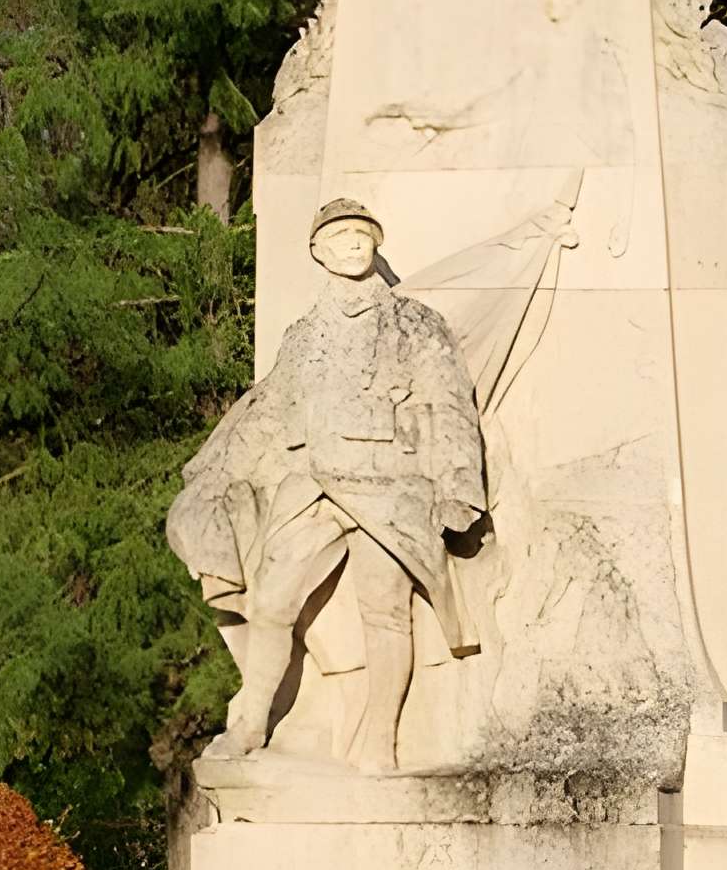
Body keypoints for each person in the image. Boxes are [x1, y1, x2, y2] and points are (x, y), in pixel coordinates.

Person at [167, 198, 487, 771]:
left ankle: (381, 742)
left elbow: (449, 402)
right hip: (312, 485)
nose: (352, 244)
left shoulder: (414, 323)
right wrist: (220, 471)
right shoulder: (303, 334)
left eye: (362, 234)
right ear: (317, 251)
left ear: (377, 243)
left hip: (389, 484)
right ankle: (251, 722)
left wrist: (458, 484)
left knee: (385, 612)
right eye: (339, 236)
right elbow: (269, 410)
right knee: (270, 603)